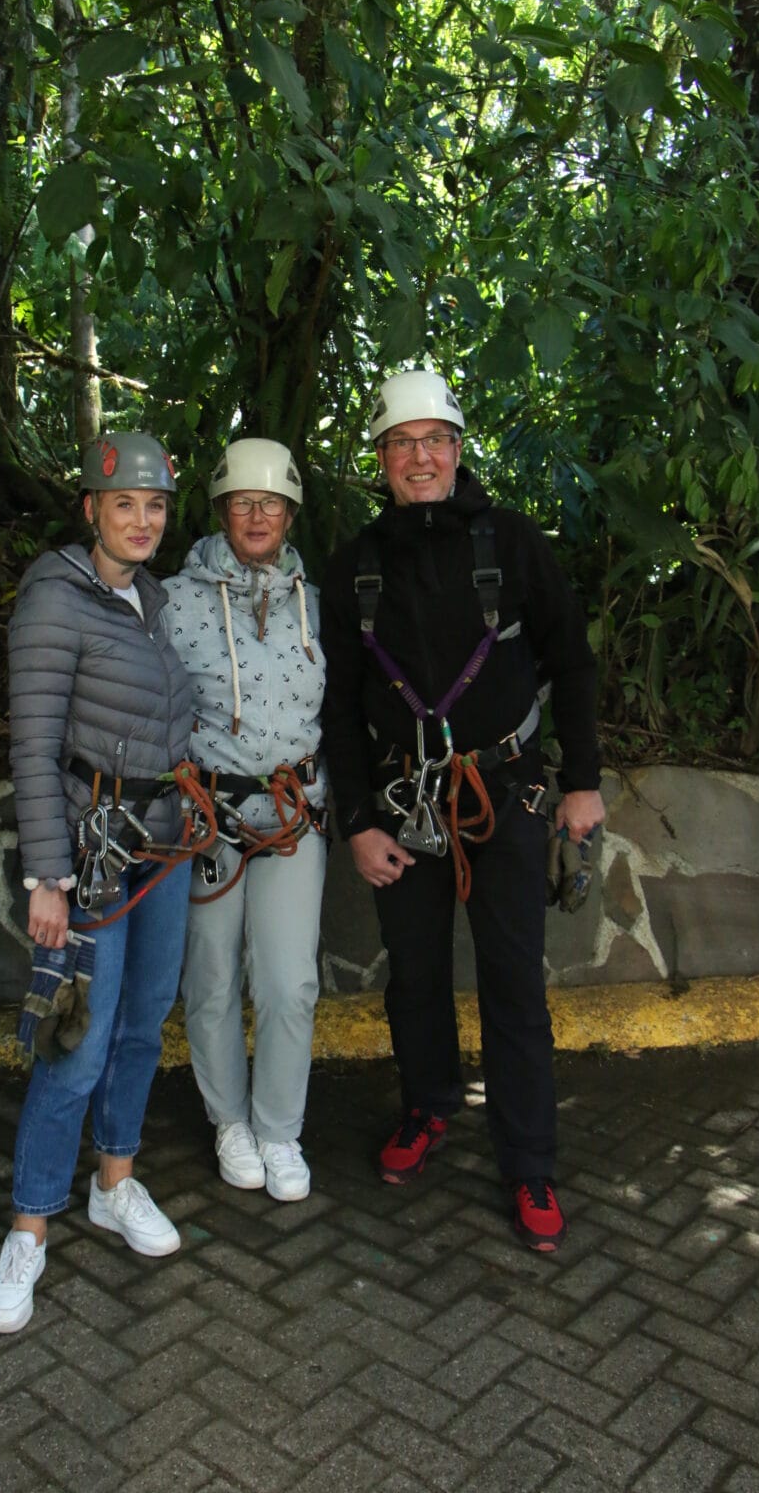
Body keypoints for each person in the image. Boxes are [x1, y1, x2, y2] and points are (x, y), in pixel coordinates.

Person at [319, 371, 604, 1252]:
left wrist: (583, 783)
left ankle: (529, 1160)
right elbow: (337, 705)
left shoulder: (512, 544)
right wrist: (358, 821)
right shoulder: (357, 562)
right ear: (380, 458)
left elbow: (573, 660)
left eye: (434, 441)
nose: (420, 458)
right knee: (414, 975)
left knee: (515, 983)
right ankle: (430, 1104)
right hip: (403, 805)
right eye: (402, 444)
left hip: (507, 797)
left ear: (457, 450)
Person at [0, 431, 195, 1334]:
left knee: (142, 1027)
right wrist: (47, 877)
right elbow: (33, 747)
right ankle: (28, 1229)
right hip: (91, 855)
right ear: (91, 511)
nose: (142, 521)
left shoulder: (147, 596)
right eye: (125, 506)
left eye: (154, 507)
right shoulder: (55, 599)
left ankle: (114, 1180)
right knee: (76, 1042)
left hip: (164, 847)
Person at [164, 439, 328, 1201]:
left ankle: (278, 1130)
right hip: (210, 815)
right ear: (223, 510)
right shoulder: (172, 599)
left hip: (294, 812)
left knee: (290, 982)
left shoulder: (313, 600)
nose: (257, 515)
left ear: (290, 514)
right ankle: (229, 1120)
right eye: (243, 502)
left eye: (272, 504)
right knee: (211, 976)